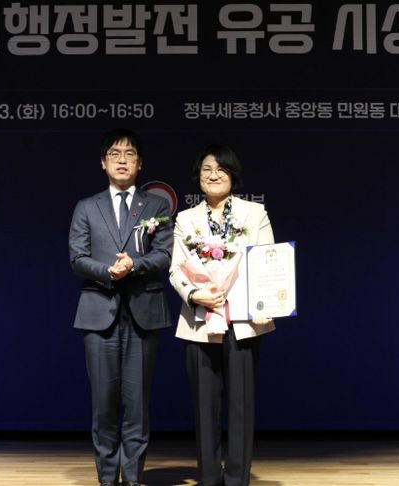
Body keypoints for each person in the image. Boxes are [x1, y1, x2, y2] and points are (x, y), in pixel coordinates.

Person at [69, 128, 173, 486]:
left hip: (143, 312)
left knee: (137, 403)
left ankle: (133, 477)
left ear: (140, 163)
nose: (123, 160)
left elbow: (164, 253)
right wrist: (108, 272)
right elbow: (77, 257)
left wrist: (135, 265)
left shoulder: (156, 206)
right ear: (103, 163)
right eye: (115, 153)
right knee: (104, 403)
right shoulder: (86, 206)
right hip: (99, 312)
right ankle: (106, 477)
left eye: (130, 154)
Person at [169, 144, 275, 486]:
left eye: (221, 169)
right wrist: (195, 294)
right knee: (204, 406)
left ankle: (237, 479)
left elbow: (267, 261)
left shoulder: (254, 213)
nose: (214, 175)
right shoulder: (186, 218)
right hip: (200, 320)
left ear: (233, 175)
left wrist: (264, 305)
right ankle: (210, 477)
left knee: (241, 405)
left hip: (243, 322)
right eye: (207, 170)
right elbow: (176, 269)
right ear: (198, 177)